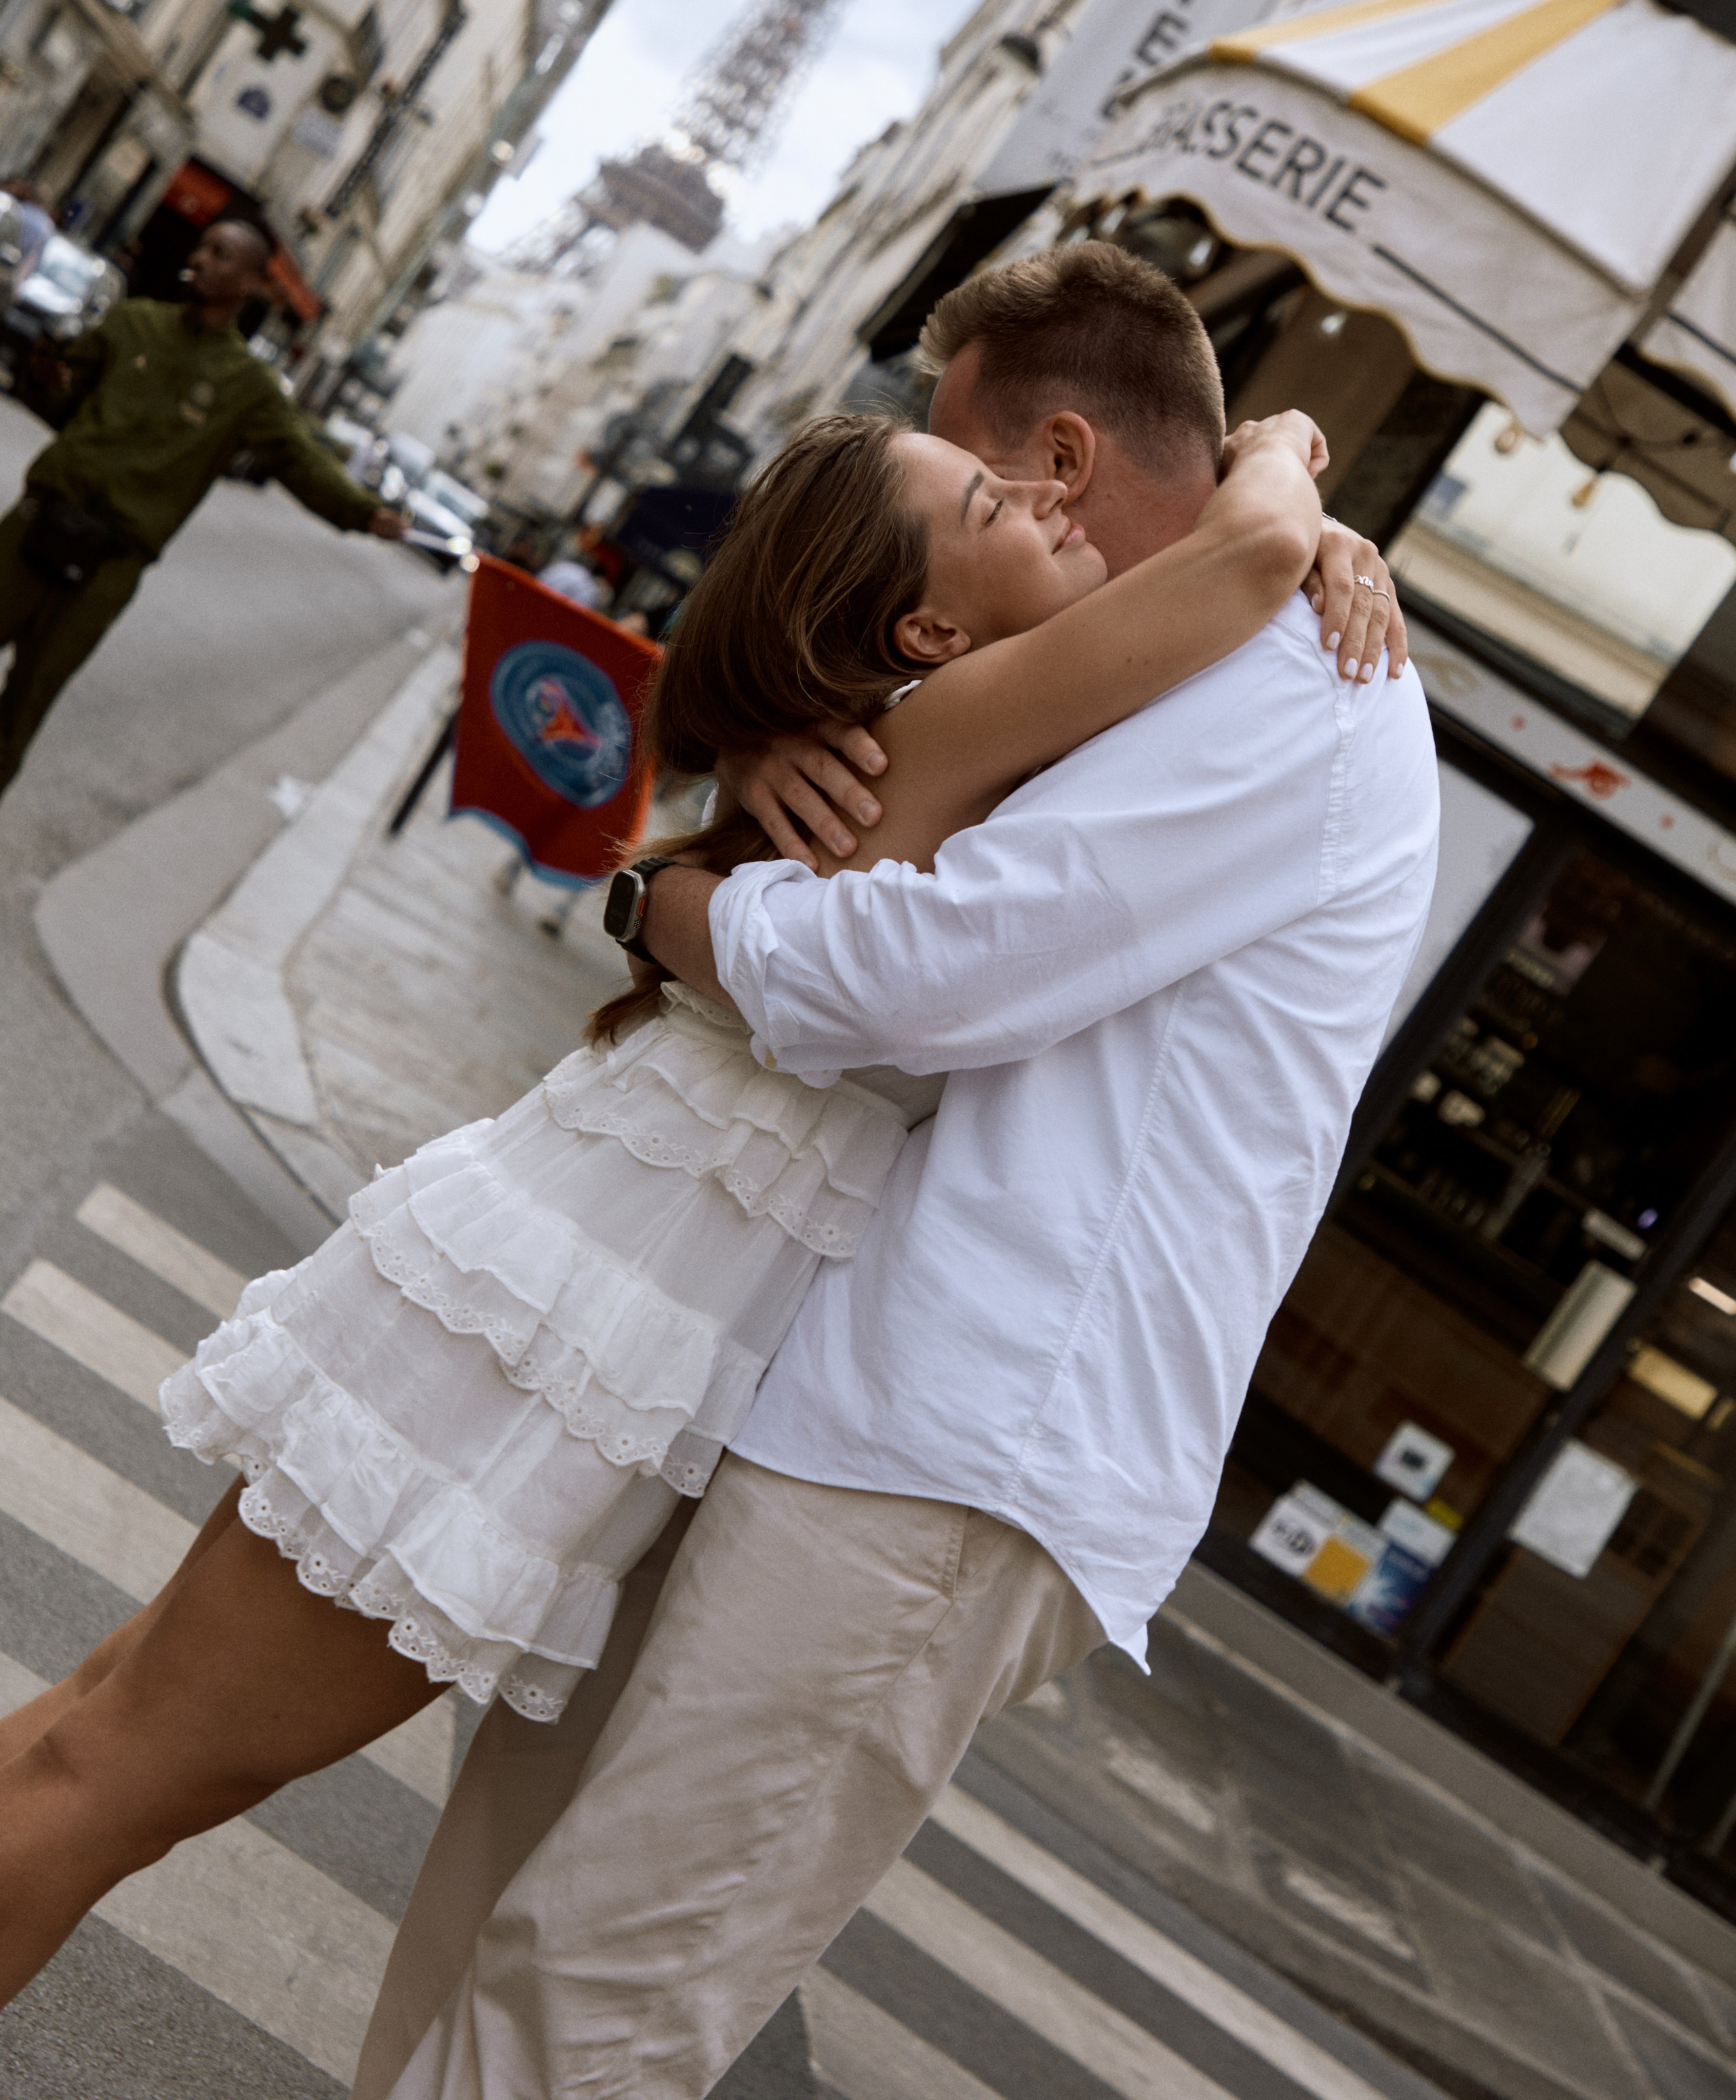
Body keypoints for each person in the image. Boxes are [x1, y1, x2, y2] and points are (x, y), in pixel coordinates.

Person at [0, 366, 1392, 2010]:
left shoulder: (914, 730)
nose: (1044, 503)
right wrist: (1292, 452)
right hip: (575, 1314)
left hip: (584, 1266)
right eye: (986, 504)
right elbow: (1238, 561)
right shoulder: (957, 723)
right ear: (927, 634)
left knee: (113, 1735)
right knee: (130, 1772)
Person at [355, 240, 1438, 2100]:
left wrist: (672, 895)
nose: (991, 511)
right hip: (822, 1386)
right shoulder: (1152, 652)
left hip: (955, 1447)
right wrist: (786, 755)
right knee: (502, 1896)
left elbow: (907, 977)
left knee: (595, 1992)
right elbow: (897, 796)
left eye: (972, 467)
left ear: (1069, 461)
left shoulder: (1286, 687)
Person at [0, 218, 406, 799]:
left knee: (23, 707)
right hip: (38, 522)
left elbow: (299, 460)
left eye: (221, 254)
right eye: (203, 248)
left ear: (249, 284)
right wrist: (43, 376)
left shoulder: (249, 386)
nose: (202, 258)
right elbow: (61, 399)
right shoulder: (133, 322)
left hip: (107, 564)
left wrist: (365, 512)